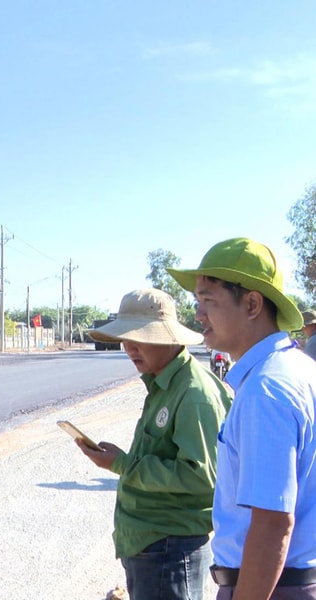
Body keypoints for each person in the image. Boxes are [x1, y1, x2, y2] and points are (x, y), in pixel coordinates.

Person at [167, 237, 316, 598]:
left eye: (208, 300)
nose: (198, 314)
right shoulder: (299, 369)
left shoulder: (266, 390)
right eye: (197, 301)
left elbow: (272, 525)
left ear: (251, 304)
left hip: (272, 586)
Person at [77, 288, 232, 600]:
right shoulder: (165, 384)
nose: (129, 348)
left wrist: (122, 463)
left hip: (170, 548)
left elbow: (202, 477)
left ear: (167, 337)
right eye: (125, 339)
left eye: (140, 338)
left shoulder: (194, 394)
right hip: (153, 545)